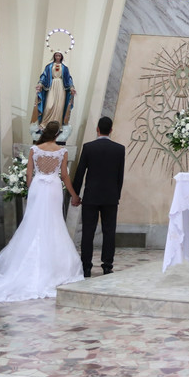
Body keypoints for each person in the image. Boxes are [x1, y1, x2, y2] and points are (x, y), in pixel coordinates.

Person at [0, 121, 84, 302]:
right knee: (53, 222)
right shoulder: (62, 151)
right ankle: (54, 267)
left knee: (33, 222)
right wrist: (74, 195)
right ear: (58, 134)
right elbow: (64, 176)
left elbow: (29, 174)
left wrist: (32, 189)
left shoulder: (35, 149)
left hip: (38, 187)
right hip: (53, 188)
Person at [71, 116, 128, 277]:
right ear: (111, 130)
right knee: (109, 231)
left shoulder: (88, 147)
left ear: (97, 129)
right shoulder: (119, 149)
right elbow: (119, 175)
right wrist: (116, 194)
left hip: (91, 196)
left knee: (88, 232)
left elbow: (80, 172)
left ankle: (86, 266)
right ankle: (107, 265)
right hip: (110, 196)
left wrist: (75, 194)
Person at [34, 52, 75, 126]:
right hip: (51, 86)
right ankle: (45, 124)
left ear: (61, 57)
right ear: (54, 56)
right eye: (56, 55)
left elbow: (68, 78)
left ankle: (57, 125)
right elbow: (44, 76)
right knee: (49, 106)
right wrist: (40, 84)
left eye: (59, 56)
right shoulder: (49, 66)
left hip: (61, 87)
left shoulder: (65, 68)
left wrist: (71, 88)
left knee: (59, 107)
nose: (58, 57)